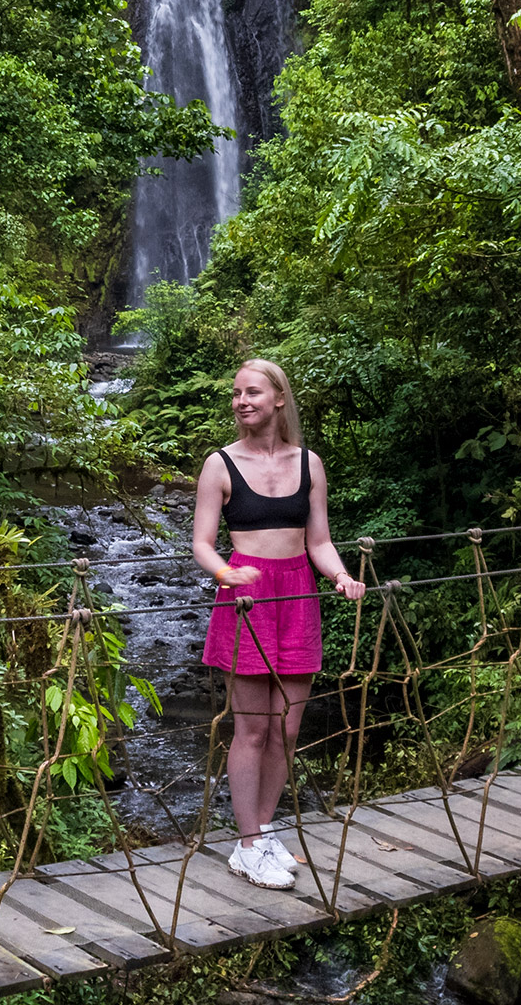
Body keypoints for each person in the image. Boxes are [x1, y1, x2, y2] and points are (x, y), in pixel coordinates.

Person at [193, 359, 367, 889]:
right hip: (246, 597)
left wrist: (341, 575)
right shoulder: (220, 464)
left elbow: (319, 541)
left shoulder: (309, 463)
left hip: (297, 595)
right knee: (252, 729)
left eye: (252, 392)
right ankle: (246, 846)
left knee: (287, 727)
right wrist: (227, 573)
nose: (242, 401)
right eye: (236, 393)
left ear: (278, 399)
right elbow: (201, 543)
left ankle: (264, 830)